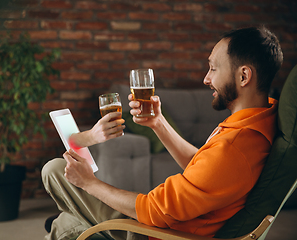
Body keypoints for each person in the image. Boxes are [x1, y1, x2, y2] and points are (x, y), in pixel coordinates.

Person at [42, 26, 283, 240]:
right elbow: (204, 169)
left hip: (158, 234)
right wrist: (158, 123)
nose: (206, 78)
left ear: (243, 76)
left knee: (54, 170)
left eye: (213, 68)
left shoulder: (235, 146)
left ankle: (67, 222)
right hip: (171, 224)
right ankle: (67, 223)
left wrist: (89, 183)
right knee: (66, 226)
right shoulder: (257, 120)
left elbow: (152, 210)